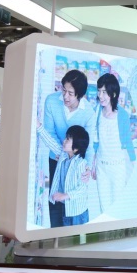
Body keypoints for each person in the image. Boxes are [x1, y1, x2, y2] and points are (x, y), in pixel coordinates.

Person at [42, 69, 96, 227]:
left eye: (70, 93)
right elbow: (50, 132)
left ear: (80, 95)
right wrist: (62, 152)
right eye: (63, 90)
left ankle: (72, 232)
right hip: (56, 157)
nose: (65, 96)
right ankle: (56, 233)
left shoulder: (88, 113)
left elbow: (89, 144)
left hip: (76, 161)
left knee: (71, 198)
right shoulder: (51, 101)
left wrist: (87, 166)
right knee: (55, 198)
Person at [93, 73, 135, 214]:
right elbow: (96, 140)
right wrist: (93, 163)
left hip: (117, 167)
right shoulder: (97, 111)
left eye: (104, 92)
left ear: (114, 94)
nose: (100, 95)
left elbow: (128, 142)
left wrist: (135, 166)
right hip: (101, 166)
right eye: (99, 91)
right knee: (104, 207)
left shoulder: (122, 115)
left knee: (118, 207)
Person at [38, 125, 91, 226]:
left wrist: (65, 195)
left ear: (76, 148)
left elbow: (82, 188)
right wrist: (39, 127)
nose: (64, 141)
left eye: (67, 139)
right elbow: (51, 143)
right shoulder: (63, 155)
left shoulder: (81, 164)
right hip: (66, 209)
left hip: (78, 212)